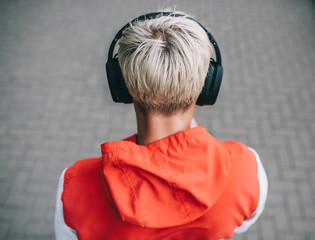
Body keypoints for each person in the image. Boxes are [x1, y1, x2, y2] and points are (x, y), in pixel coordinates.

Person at [55, 11, 268, 240]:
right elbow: (240, 226)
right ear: (207, 86)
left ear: (122, 85)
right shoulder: (248, 172)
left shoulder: (74, 186)